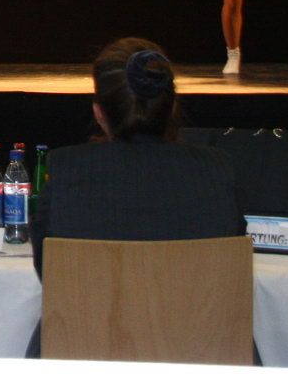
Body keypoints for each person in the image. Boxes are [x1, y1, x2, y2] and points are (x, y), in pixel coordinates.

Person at [27, 36, 245, 357]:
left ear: (99, 113)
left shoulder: (66, 170)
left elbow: (49, 272)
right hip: (203, 360)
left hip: (82, 360)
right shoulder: (215, 170)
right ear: (172, 107)